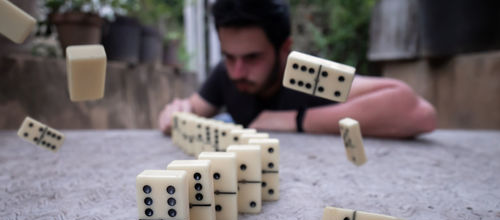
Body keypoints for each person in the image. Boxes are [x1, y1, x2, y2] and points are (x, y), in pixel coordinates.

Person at [158, 0, 436, 138]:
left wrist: (295, 120)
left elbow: (418, 113)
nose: (238, 71)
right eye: (229, 57)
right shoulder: (226, 74)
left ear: (284, 49)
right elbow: (190, 110)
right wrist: (177, 112)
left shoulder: (304, 74)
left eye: (252, 57)